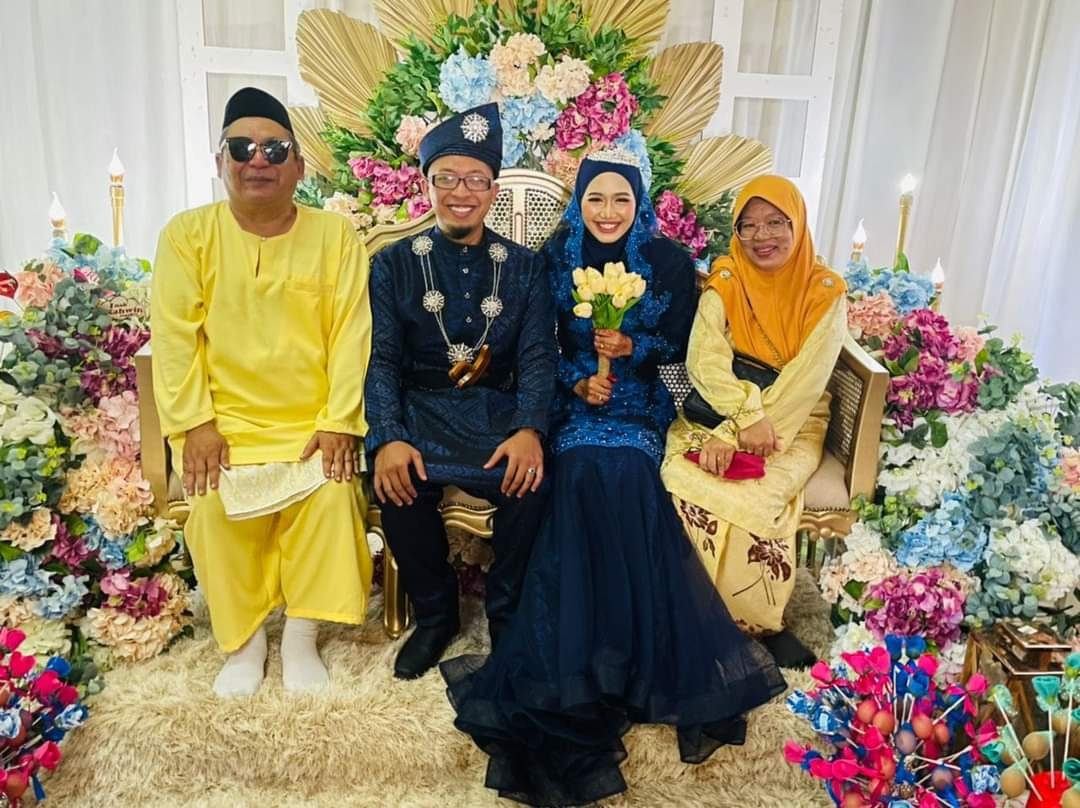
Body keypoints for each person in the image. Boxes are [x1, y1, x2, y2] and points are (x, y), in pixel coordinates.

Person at [440, 148, 786, 807]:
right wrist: (578, 381)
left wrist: (632, 347)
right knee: (577, 471)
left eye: (621, 199)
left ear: (639, 203)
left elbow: (680, 349)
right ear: (579, 203)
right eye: (595, 198)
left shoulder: (666, 262)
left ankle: (622, 651)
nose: (607, 211)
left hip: (641, 402)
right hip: (574, 404)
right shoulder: (553, 258)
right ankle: (585, 651)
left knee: (625, 471)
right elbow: (536, 346)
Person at [151, 87, 373, 697]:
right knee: (211, 506)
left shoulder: (335, 236)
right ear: (220, 161)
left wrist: (338, 421)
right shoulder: (187, 235)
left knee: (332, 497)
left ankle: (301, 635)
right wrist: (195, 425)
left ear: (298, 166)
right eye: (242, 148)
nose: (258, 160)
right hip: (222, 424)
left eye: (275, 149)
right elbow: (174, 338)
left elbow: (351, 334)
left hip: (312, 424)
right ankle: (245, 640)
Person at [365, 103, 557, 680]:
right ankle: (436, 615)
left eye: (476, 180)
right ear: (426, 184)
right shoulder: (394, 264)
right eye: (446, 178)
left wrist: (529, 429)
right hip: (418, 408)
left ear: (494, 190)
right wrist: (388, 436)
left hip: (497, 410)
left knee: (535, 484)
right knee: (398, 484)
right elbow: (380, 358)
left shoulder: (524, 267)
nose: (461, 193)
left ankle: (507, 614)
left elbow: (538, 356)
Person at [661, 174, 848, 669]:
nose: (762, 236)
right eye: (749, 225)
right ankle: (690, 615)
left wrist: (742, 429)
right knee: (681, 479)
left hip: (793, 418)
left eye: (776, 222)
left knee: (759, 494)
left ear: (797, 224)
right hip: (718, 407)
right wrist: (738, 417)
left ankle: (762, 624)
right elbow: (704, 359)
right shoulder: (727, 278)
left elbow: (806, 380)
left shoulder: (825, 291)